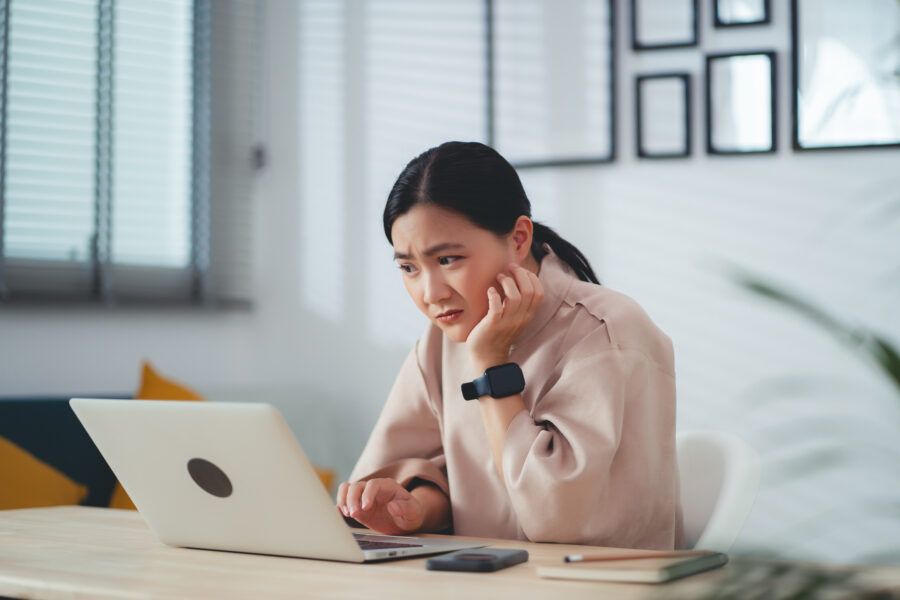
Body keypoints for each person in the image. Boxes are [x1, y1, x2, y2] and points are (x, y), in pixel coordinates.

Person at [335, 141, 683, 549]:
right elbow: (422, 474)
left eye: (448, 260)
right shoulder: (442, 341)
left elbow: (554, 520)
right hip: (480, 582)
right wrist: (414, 508)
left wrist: (490, 367)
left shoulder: (606, 332)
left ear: (518, 239)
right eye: (409, 268)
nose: (430, 293)